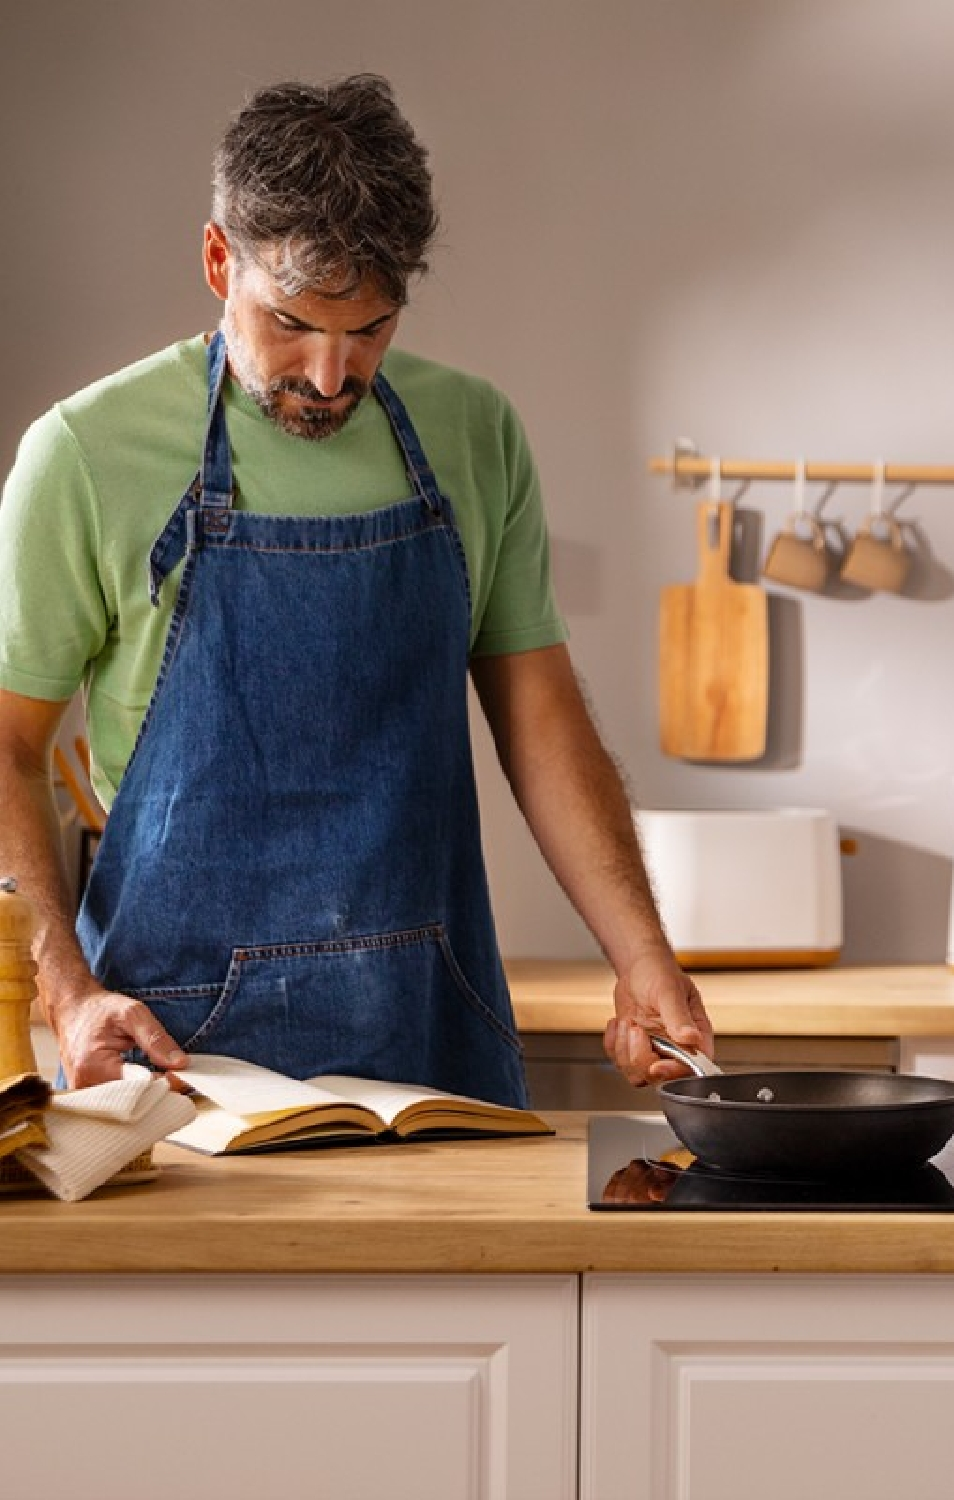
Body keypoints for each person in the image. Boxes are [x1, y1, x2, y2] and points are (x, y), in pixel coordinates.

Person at [0, 74, 713, 1103]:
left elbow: (542, 720)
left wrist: (643, 954)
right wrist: (63, 989)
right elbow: (9, 746)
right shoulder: (85, 453)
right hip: (174, 1066)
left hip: (432, 1042)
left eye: (371, 330)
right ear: (217, 262)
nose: (332, 376)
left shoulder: (475, 435)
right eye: (292, 323)